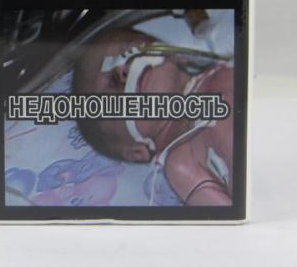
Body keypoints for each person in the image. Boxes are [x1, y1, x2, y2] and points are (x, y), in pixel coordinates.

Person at [74, 27, 234, 206]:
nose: (123, 69)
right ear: (137, 151)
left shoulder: (223, 64)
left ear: (174, 53)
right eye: (111, 87)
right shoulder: (182, 161)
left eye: (131, 48)